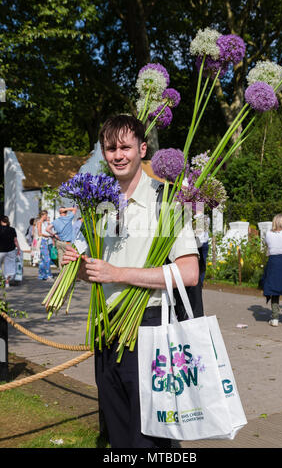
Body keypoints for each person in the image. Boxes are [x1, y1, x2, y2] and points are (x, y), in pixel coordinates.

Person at [62, 114, 199, 449]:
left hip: (149, 330)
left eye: (125, 147)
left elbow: (188, 273)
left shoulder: (167, 200)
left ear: (142, 149)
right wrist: (76, 266)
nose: (117, 155)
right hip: (105, 331)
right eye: (110, 148)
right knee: (119, 436)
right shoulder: (99, 202)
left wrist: (118, 274)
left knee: (152, 440)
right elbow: (98, 271)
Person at [0, 215, 21, 288]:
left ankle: (0, 281)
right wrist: (18, 249)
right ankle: (7, 282)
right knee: (9, 267)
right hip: (10, 250)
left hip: (1, 251)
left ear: (1, 221)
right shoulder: (12, 229)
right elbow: (15, 240)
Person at [37, 210, 53, 281]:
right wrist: (48, 235)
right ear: (43, 215)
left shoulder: (45, 223)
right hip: (42, 241)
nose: (47, 216)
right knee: (47, 259)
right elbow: (39, 233)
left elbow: (49, 229)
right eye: (46, 215)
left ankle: (42, 275)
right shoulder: (39, 222)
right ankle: (48, 275)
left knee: (43, 259)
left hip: (45, 241)